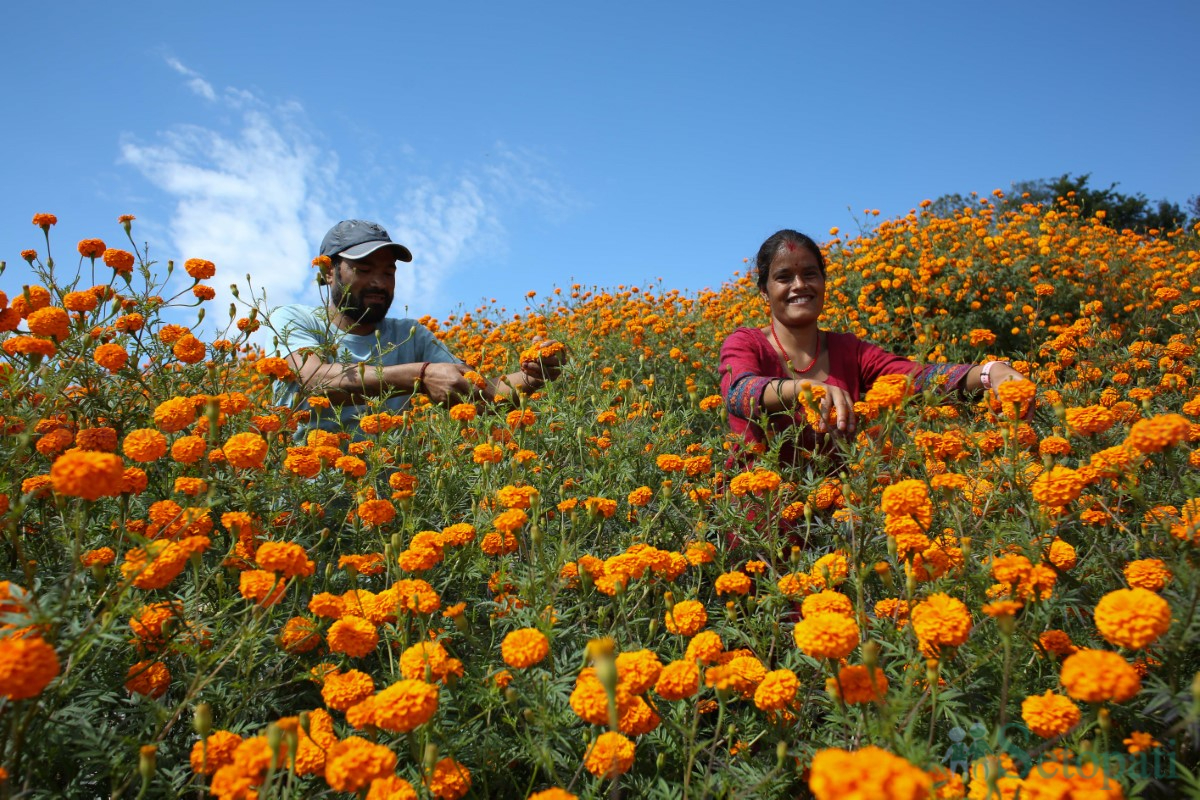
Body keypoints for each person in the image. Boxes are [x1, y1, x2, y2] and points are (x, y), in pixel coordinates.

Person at [719, 229, 1029, 467]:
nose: (799, 285)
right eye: (783, 277)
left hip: (841, 530)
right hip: (759, 532)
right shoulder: (746, 343)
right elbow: (738, 392)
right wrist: (800, 389)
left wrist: (990, 373)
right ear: (764, 290)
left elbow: (917, 377)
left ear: (824, 282)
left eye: (810, 274)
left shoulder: (849, 350)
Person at [269, 219, 563, 434]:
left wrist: (535, 374)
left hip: (387, 505)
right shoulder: (294, 319)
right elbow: (314, 380)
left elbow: (482, 394)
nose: (379, 282)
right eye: (365, 269)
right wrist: (420, 375)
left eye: (388, 272)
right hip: (298, 509)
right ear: (329, 273)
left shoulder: (409, 336)